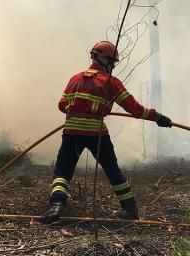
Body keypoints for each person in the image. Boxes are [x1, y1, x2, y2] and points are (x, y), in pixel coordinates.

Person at [39, 41, 172, 224]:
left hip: (72, 131)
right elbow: (134, 109)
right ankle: (130, 209)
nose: (113, 66)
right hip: (97, 134)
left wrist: (79, 109)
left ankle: (55, 205)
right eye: (112, 61)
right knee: (112, 170)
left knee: (63, 171)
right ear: (102, 58)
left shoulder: (75, 78)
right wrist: (157, 117)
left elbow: (62, 105)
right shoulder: (111, 82)